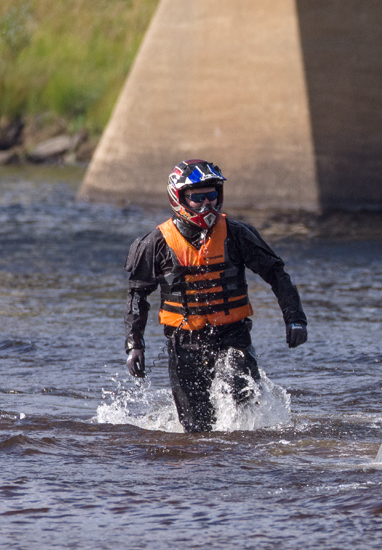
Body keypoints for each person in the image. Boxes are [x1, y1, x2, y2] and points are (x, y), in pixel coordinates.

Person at [123, 159, 308, 432]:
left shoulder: (237, 234)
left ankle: (240, 464)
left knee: (239, 393)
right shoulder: (155, 243)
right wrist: (134, 345)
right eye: (198, 198)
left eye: (212, 196)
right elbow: (137, 296)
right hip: (183, 343)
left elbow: (276, 274)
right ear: (179, 198)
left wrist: (295, 319)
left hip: (233, 334)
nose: (207, 204)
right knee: (196, 430)